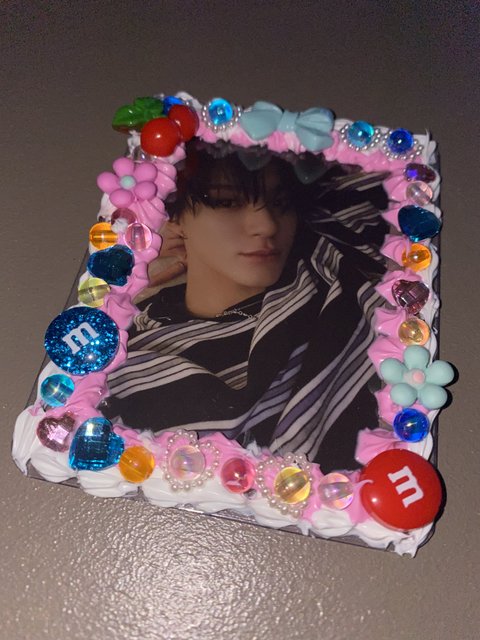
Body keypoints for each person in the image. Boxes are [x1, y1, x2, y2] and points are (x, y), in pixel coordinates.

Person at [100, 140, 389, 473]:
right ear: (173, 216)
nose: (267, 226)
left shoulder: (331, 276)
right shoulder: (118, 351)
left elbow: (385, 179)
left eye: (282, 203)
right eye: (226, 202)